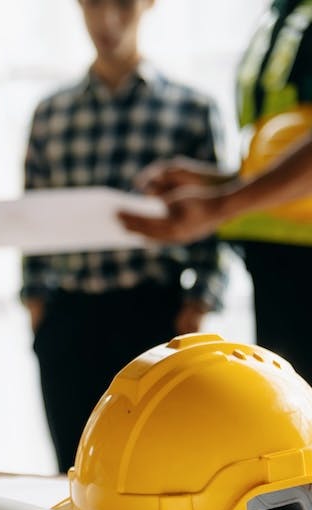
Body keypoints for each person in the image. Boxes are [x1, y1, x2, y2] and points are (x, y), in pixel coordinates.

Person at [120, 0, 312, 507]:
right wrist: (217, 183)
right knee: (292, 486)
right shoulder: (290, 11)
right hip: (283, 279)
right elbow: (288, 154)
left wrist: (221, 203)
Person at [23, 0, 228, 473]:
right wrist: (37, 309)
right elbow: (35, 222)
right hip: (69, 319)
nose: (107, 21)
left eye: (123, 5)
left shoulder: (192, 110)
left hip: (154, 317)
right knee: (76, 470)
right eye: (94, 4)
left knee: (159, 471)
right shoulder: (50, 114)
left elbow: (214, 225)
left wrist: (199, 304)